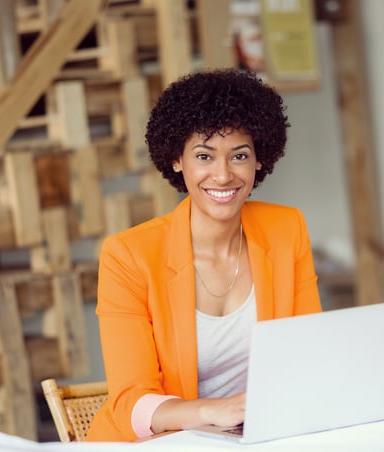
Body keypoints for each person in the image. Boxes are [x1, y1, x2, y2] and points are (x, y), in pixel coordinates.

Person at [86, 69, 322, 442]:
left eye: (239, 155)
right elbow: (131, 402)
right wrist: (216, 410)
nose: (224, 175)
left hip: (259, 437)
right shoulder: (128, 256)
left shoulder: (286, 229)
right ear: (177, 160)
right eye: (204, 156)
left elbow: (309, 352)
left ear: (260, 159)